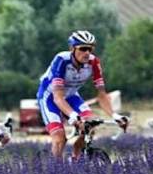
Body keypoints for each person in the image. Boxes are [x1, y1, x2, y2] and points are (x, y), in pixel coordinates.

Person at [38, 30, 128, 159]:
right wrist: (73, 115)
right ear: (72, 48)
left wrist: (115, 115)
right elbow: (58, 98)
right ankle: (54, 168)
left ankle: (76, 159)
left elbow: (102, 95)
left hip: (71, 96)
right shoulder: (62, 60)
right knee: (59, 138)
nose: (87, 53)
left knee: (90, 125)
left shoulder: (94, 62)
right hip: (50, 97)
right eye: (83, 48)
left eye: (90, 49)